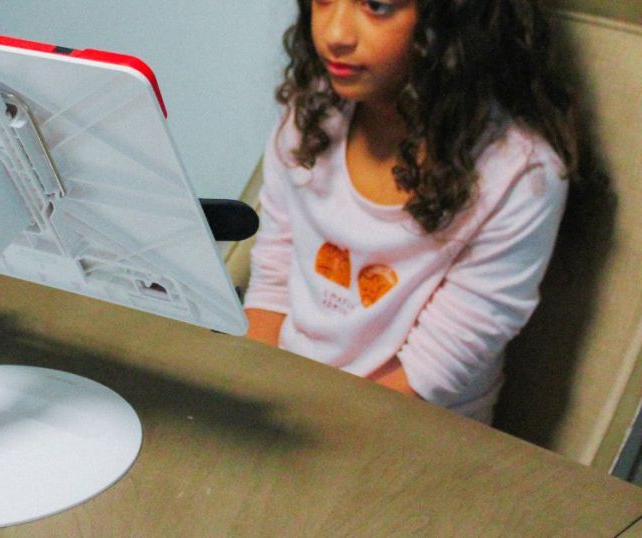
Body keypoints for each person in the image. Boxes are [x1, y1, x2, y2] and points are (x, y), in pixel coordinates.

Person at [243, 0, 579, 422]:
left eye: (377, 6)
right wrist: (252, 393)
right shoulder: (311, 113)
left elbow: (434, 370)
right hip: (292, 403)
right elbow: (273, 278)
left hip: (413, 431)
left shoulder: (519, 173)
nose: (335, 35)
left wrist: (300, 431)